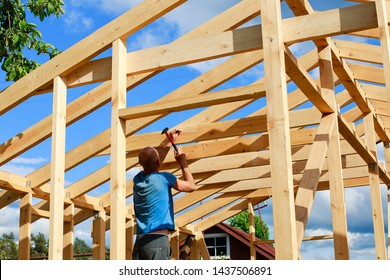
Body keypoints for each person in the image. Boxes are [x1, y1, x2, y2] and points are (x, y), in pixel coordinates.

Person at [132, 129, 195, 260]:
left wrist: (169, 142)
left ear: (140, 164)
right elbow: (191, 186)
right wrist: (182, 162)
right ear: (158, 163)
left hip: (140, 242)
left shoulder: (137, 179)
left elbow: (153, 162)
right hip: (157, 241)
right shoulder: (165, 178)